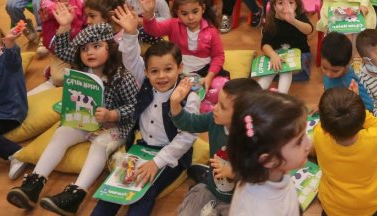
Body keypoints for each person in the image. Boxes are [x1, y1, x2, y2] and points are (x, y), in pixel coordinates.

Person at [6, 23, 138, 215]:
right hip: (85, 120)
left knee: (100, 145)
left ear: (110, 47)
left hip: (116, 125)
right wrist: (64, 26)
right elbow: (60, 50)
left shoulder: (122, 76)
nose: (89, 52)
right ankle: (34, 184)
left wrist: (113, 114)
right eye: (84, 49)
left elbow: (135, 107)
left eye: (96, 46)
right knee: (61, 133)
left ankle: (76, 194)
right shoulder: (82, 69)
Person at [90, 35, 199, 215]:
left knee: (144, 189)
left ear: (180, 68)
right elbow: (132, 59)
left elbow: (187, 136)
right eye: (154, 71)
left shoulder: (190, 96)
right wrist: (131, 33)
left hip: (171, 156)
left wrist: (156, 163)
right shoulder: (145, 83)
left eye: (168, 69)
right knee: (113, 188)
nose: (161, 76)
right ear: (147, 73)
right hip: (142, 148)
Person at [171, 77, 262, 216]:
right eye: (217, 102)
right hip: (212, 188)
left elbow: (259, 175)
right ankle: (204, 174)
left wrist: (234, 172)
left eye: (222, 106)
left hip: (238, 200)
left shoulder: (254, 139)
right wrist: (175, 103)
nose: (215, 107)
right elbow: (190, 123)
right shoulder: (214, 119)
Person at [226, 91, 311, 216]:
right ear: (269, 160)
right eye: (299, 141)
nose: (309, 144)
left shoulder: (276, 172)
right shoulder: (256, 210)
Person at [314, 88, 377, 214]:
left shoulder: (319, 134)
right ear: (361, 120)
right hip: (372, 205)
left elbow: (324, 124)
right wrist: (361, 110)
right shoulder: (374, 139)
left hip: (333, 207)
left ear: (325, 127)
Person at [320, 32, 373, 109]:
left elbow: (368, 106)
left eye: (335, 71)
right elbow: (327, 91)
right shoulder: (331, 69)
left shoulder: (350, 82)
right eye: (324, 68)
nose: (328, 74)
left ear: (347, 63)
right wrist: (323, 104)